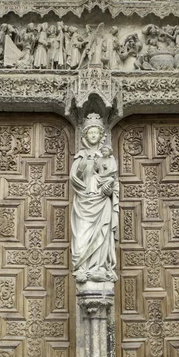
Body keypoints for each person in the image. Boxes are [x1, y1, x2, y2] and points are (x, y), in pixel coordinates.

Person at [70, 114, 119, 283]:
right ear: (85, 136)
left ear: (101, 135)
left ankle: (99, 268)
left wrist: (110, 186)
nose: (92, 135)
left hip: (101, 200)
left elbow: (112, 177)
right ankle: (82, 268)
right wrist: (80, 170)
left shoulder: (107, 157)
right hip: (84, 200)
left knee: (102, 234)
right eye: (89, 132)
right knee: (82, 234)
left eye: (95, 132)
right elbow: (73, 178)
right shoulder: (81, 155)